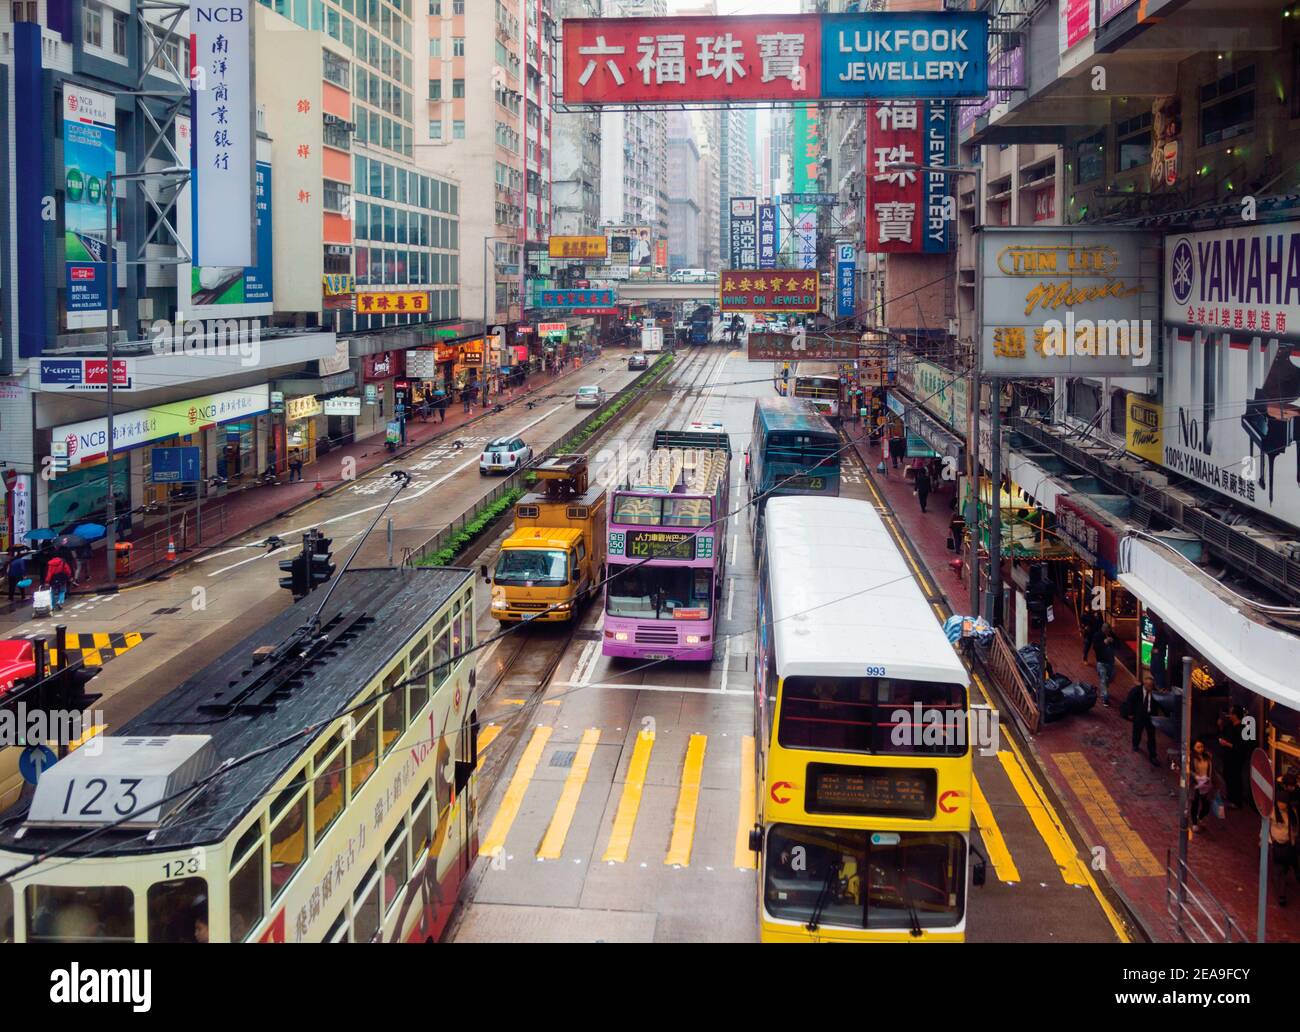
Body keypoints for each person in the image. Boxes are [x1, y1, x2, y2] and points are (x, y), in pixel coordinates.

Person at [1218, 706, 1248, 808]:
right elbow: (1223, 734)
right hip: (1227, 756)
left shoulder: (1242, 729)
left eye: (1231, 713)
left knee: (1235, 778)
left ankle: (1237, 801)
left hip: (1236, 758)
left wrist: (1227, 744)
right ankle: (1230, 797)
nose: (1229, 715)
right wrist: (1221, 727)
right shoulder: (1230, 725)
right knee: (1227, 775)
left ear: (1235, 715)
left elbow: (1241, 747)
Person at [1270, 798, 1298, 906]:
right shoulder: (1272, 811)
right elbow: (1267, 827)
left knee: (1283, 871)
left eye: (1284, 802)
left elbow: (1294, 829)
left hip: (1287, 846)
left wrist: (1293, 842)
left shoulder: (1292, 812)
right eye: (1280, 802)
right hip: (1275, 845)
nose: (1282, 804)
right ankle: (1281, 894)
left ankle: (1282, 893)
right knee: (1278, 870)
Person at [1130, 674, 1160, 766]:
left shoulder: (1154, 693)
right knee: (1137, 731)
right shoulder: (1136, 691)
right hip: (1139, 716)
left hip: (1150, 717)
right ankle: (1135, 744)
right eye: (1148, 686)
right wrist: (1131, 713)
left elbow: (1159, 704)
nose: (1150, 688)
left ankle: (1153, 755)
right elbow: (1130, 701)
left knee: (1151, 736)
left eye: (1152, 686)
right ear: (1144, 684)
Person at [1188, 737, 1215, 833]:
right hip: (1196, 784)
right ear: (1193, 748)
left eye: (1202, 746)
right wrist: (1196, 777)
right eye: (1198, 747)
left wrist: (1209, 780)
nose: (1201, 749)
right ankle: (1194, 823)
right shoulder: (1191, 758)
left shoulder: (1207, 757)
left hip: (1205, 784)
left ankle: (1200, 817)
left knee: (1206, 805)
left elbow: (1211, 770)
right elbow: (1189, 770)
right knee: (1195, 803)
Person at [1093, 622, 1117, 706]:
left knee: (1111, 677)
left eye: (1108, 630)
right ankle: (1105, 698)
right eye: (1106, 630)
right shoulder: (1097, 635)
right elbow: (1096, 647)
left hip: (1111, 662)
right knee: (1103, 679)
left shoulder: (1112, 635)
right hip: (1101, 662)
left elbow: (1119, 645)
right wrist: (1104, 642)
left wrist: (1113, 641)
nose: (1107, 632)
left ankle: (1104, 688)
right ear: (1103, 629)